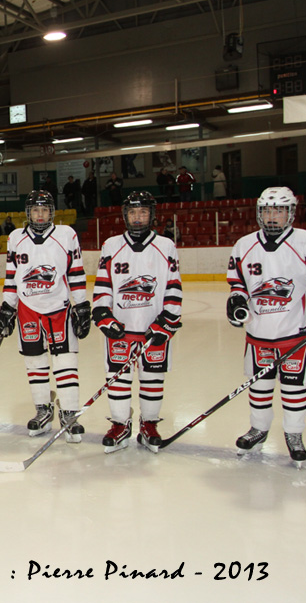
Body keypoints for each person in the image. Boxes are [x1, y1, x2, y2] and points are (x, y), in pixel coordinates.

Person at [226, 187, 306, 465]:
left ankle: (294, 434)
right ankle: (259, 429)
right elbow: (237, 284)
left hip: (295, 335)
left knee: (294, 387)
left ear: (291, 213)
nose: (273, 217)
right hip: (258, 334)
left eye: (279, 211)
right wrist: (236, 302)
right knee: (259, 386)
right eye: (267, 211)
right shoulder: (244, 245)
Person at [93, 191, 182, 452]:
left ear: (152, 215)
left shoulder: (166, 245)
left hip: (153, 326)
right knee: (117, 378)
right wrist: (103, 315)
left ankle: (149, 424)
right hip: (120, 328)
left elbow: (174, 286)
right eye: (133, 212)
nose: (138, 217)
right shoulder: (111, 245)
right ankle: (121, 424)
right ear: (125, 216)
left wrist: (168, 319)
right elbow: (102, 285)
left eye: (143, 212)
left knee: (152, 378)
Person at [0, 190, 89, 441]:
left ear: (52, 212)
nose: (40, 215)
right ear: (28, 213)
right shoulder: (16, 237)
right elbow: (11, 275)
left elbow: (76, 272)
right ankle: (43, 410)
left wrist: (81, 305)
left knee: (65, 363)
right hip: (28, 310)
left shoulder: (66, 234)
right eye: (35, 210)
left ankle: (69, 414)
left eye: (44, 210)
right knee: (35, 364)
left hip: (59, 308)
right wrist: (8, 306)